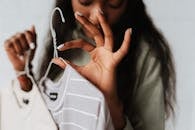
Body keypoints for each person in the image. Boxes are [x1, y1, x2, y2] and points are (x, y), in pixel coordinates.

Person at [4, 0, 176, 130]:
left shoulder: (145, 55)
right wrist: (24, 74)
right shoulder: (65, 36)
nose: (97, 16)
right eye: (86, 1)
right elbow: (47, 120)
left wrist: (110, 103)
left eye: (113, 2)